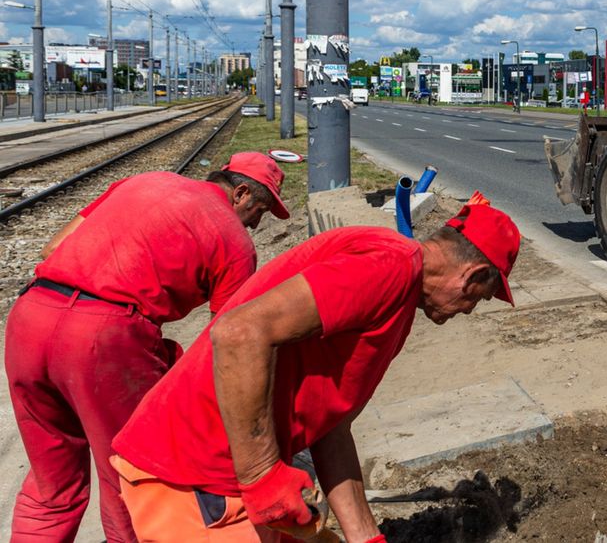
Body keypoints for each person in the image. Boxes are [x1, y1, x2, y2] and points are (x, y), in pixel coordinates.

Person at [109, 198, 520, 543]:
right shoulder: (388, 267)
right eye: (480, 299)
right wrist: (262, 476)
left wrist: (366, 537)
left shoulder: (399, 289)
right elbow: (239, 332)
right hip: (195, 475)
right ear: (473, 276)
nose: (469, 311)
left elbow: (330, 428)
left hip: (227, 478)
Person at [5, 152, 290, 543]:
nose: (257, 224)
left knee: (51, 484)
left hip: (30, 317)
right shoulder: (235, 242)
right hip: (104, 337)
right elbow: (227, 344)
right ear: (240, 193)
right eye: (260, 211)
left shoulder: (145, 182)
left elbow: (52, 248)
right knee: (131, 476)